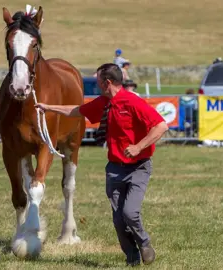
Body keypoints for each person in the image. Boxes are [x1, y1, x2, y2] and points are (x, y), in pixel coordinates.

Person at [35, 63, 168, 266]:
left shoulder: (132, 102)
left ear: (107, 83)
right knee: (118, 220)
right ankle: (131, 256)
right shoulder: (104, 102)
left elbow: (161, 126)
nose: (96, 84)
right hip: (114, 169)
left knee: (130, 213)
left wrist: (139, 146)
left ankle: (144, 243)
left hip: (138, 167)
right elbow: (77, 110)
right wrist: (49, 107)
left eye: (97, 81)